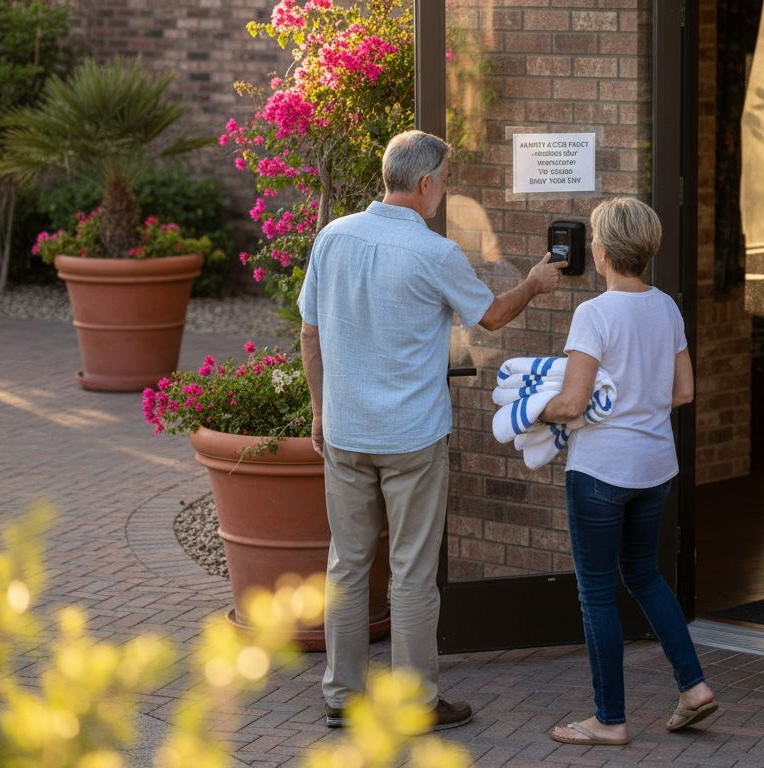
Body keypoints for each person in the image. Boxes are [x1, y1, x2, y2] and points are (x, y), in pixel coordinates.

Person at [298, 130, 566, 731]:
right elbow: (492, 315)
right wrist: (534, 283)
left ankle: (342, 696)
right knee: (412, 571)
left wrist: (319, 410)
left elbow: (310, 333)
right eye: (443, 180)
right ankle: (418, 703)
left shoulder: (332, 238)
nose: (445, 191)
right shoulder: (432, 252)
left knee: (346, 564)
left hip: (344, 431)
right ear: (424, 184)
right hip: (412, 438)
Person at [539, 197, 716, 746]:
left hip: (601, 471)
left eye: (593, 237)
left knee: (596, 592)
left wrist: (525, 411)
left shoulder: (593, 314)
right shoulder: (666, 307)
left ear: (604, 252)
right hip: (655, 466)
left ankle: (609, 719)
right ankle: (694, 688)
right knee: (643, 575)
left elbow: (571, 404)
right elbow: (683, 392)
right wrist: (638, 399)